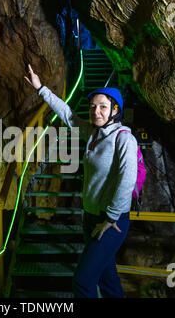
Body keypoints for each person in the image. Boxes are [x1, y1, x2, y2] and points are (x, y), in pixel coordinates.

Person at [24, 64, 138, 298]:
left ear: (116, 110)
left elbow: (126, 181)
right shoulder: (93, 133)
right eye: (93, 106)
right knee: (108, 279)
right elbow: (67, 114)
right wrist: (41, 89)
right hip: (91, 218)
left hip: (111, 222)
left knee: (83, 281)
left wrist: (111, 217)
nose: (96, 111)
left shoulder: (124, 140)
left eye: (103, 107)